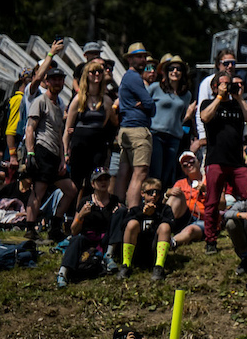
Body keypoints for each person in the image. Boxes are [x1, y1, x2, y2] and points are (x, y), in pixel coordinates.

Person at [198, 65, 247, 254]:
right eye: (223, 84)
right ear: (214, 87)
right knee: (212, 202)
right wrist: (220, 97)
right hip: (216, 160)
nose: (227, 88)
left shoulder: (237, 104)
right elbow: (205, 117)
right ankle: (211, 241)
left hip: (237, 161)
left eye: (229, 85)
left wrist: (238, 98)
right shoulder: (207, 103)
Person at [25, 44, 76, 234]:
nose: (56, 83)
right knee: (38, 191)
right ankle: (30, 228)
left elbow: (60, 133)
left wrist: (63, 159)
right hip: (42, 150)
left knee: (71, 190)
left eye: (60, 80)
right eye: (53, 79)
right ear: (47, 81)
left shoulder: (60, 103)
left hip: (55, 153)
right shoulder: (38, 100)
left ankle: (55, 223)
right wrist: (30, 153)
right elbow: (30, 128)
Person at [58, 168, 121, 287]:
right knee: (76, 240)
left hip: (106, 238)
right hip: (88, 238)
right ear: (93, 183)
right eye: (99, 180)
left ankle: (109, 255)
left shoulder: (114, 200)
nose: (103, 183)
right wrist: (81, 215)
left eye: (106, 179)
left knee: (121, 212)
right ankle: (63, 272)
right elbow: (74, 230)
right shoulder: (85, 201)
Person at [113, 41, 156, 208]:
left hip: (127, 128)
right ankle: (132, 212)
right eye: (139, 56)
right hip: (137, 129)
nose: (143, 60)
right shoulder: (134, 78)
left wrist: (145, 104)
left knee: (124, 171)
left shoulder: (127, 77)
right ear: (130, 59)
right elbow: (151, 106)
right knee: (139, 173)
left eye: (144, 56)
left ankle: (118, 209)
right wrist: (146, 105)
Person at [63, 58, 117, 193]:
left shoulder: (106, 100)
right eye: (93, 72)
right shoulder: (78, 99)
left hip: (97, 145)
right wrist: (65, 152)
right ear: (87, 75)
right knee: (76, 181)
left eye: (99, 71)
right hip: (80, 145)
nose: (97, 74)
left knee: (92, 181)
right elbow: (67, 128)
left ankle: (87, 210)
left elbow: (108, 123)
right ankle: (71, 213)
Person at [148, 55, 194, 188]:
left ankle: (162, 203)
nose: (175, 71)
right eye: (172, 69)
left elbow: (182, 117)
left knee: (167, 174)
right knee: (155, 172)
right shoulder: (156, 87)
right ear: (166, 72)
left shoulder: (187, 94)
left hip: (174, 137)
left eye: (178, 69)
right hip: (156, 134)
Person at [112, 178, 168, 279]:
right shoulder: (135, 210)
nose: (154, 195)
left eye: (157, 192)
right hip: (137, 249)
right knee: (132, 224)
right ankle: (126, 264)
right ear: (142, 193)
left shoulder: (165, 209)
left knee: (165, 226)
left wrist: (155, 215)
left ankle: (159, 266)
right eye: (150, 192)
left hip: (154, 250)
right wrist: (142, 214)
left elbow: (171, 225)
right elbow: (123, 226)